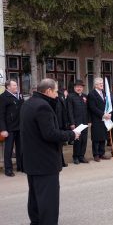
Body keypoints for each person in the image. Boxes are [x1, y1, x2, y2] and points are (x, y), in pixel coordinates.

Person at [20, 78, 80, 225]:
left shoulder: (28, 103)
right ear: (48, 91)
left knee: (35, 196)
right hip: (44, 161)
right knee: (48, 200)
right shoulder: (43, 106)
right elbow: (50, 134)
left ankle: (36, 222)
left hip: (32, 159)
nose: (57, 94)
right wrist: (71, 134)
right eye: (56, 91)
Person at [0, 79, 24, 177]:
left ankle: (20, 166)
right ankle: (8, 169)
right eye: (14, 85)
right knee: (8, 150)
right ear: (8, 87)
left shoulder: (19, 95)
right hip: (9, 128)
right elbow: (1, 114)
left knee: (20, 148)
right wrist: (3, 129)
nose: (16, 86)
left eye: (16, 85)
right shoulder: (3, 97)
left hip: (20, 126)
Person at [88, 77, 111, 162]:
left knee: (103, 136)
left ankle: (102, 153)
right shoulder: (92, 94)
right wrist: (103, 114)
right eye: (100, 84)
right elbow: (92, 107)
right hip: (96, 119)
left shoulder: (105, 93)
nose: (102, 85)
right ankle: (96, 155)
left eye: (102, 83)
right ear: (95, 85)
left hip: (105, 119)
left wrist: (108, 113)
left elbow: (108, 105)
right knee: (96, 137)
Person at [67, 80, 89, 164]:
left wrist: (89, 121)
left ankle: (81, 156)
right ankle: (75, 157)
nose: (79, 88)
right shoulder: (71, 96)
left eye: (80, 87)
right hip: (76, 122)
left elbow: (88, 110)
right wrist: (72, 123)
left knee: (84, 140)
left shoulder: (85, 96)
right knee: (77, 140)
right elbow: (69, 111)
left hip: (85, 121)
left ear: (83, 88)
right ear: (74, 88)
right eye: (77, 87)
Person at [55, 88, 69, 167]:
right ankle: (58, 161)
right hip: (54, 122)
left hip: (61, 123)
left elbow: (64, 109)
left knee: (60, 144)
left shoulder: (61, 94)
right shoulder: (49, 96)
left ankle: (61, 161)